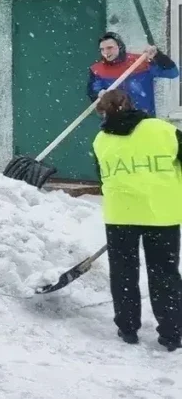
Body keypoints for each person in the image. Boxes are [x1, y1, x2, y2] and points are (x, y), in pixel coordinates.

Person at [92, 89, 182, 352]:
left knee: (123, 273)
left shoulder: (100, 140)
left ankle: (128, 328)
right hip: (161, 214)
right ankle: (172, 333)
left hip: (121, 214)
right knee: (164, 274)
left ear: (102, 111)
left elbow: (101, 176)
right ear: (131, 103)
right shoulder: (162, 130)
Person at [88, 32, 178, 116]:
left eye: (109, 48)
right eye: (102, 49)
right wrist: (98, 95)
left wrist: (158, 56)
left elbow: (172, 73)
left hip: (144, 120)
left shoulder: (141, 62)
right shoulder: (97, 70)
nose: (105, 52)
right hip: (115, 123)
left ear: (120, 46)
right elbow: (94, 93)